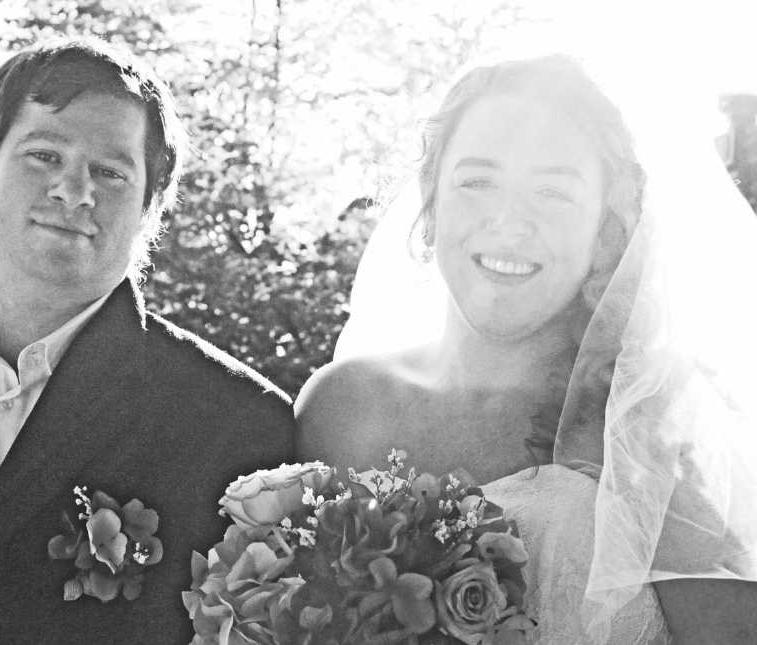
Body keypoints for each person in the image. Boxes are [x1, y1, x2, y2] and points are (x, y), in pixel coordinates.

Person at [296, 55, 757, 643]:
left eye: (553, 192)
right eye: (478, 181)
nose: (510, 221)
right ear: (431, 204)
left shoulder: (654, 429)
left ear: (605, 226)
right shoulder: (342, 406)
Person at [0, 39, 295, 644]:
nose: (74, 191)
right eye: (43, 155)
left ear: (150, 206)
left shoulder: (240, 424)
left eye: (110, 172)